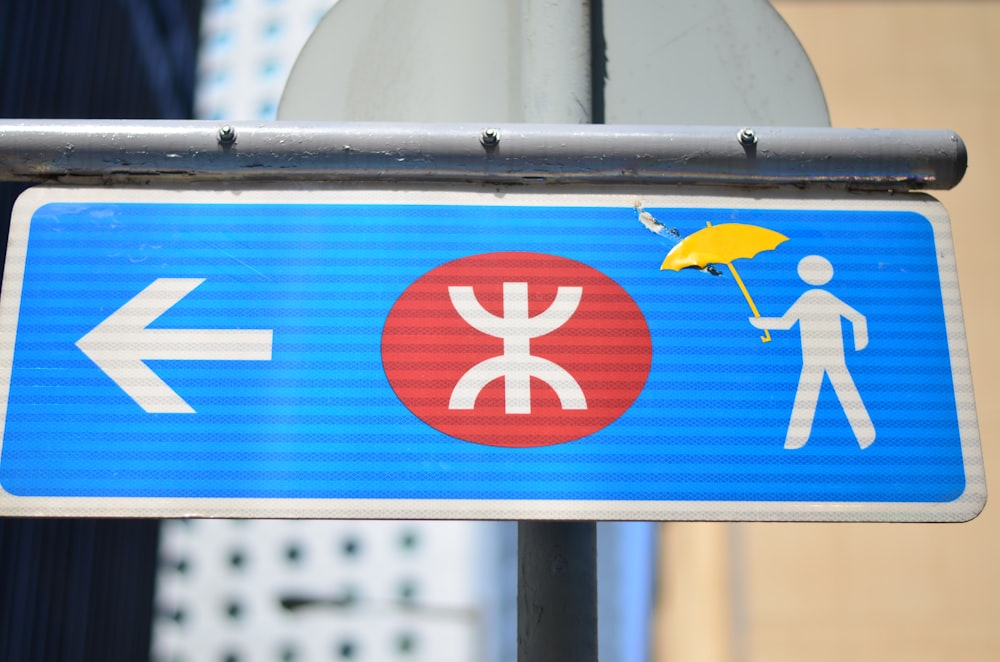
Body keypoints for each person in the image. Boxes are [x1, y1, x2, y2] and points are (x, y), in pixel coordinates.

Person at [749, 255, 876, 449]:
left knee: (831, 391)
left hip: (828, 356)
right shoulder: (812, 298)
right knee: (821, 392)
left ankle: (864, 435)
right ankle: (862, 436)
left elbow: (857, 318)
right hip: (815, 358)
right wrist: (761, 323)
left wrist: (860, 343)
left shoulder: (814, 298)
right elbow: (857, 319)